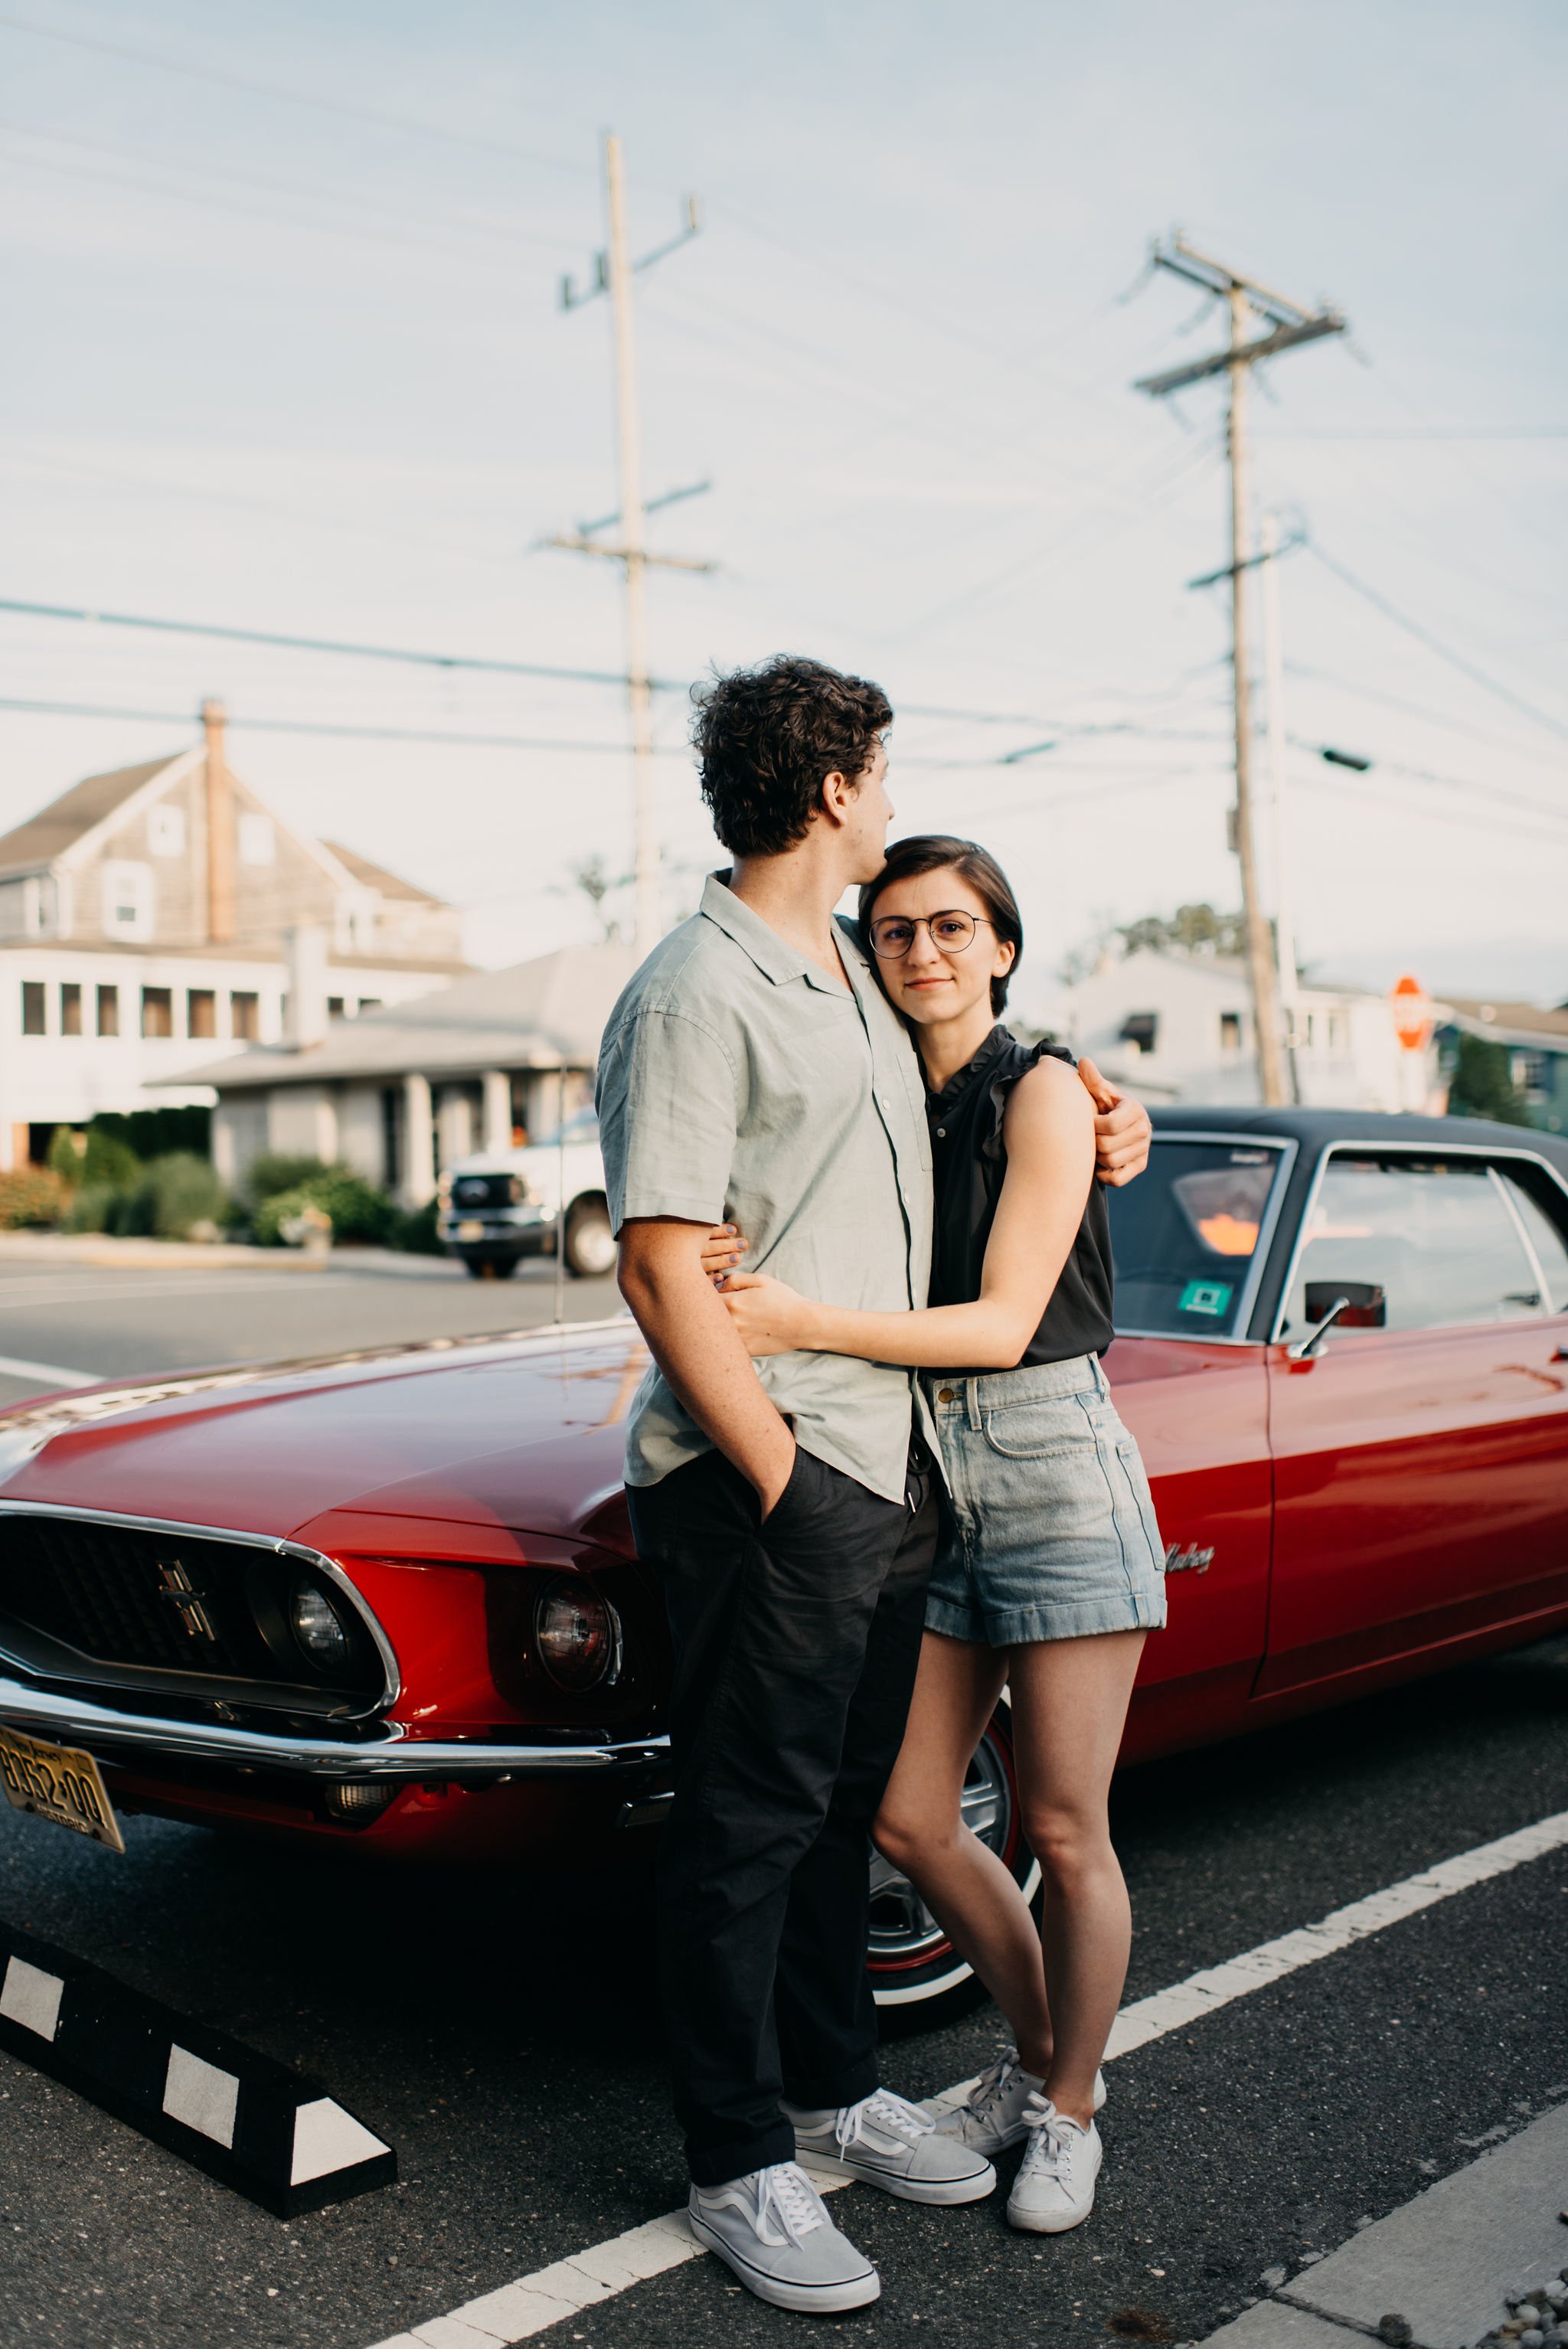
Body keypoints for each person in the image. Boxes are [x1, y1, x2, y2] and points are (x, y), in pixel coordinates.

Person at [596, 658, 1151, 2315]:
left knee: (845, 1816)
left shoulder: (841, 967)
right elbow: (656, 1266)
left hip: (894, 1465)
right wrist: (782, 1481)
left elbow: (990, 1058)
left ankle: (838, 2090)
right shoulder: (697, 987)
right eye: (883, 778)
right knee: (748, 1821)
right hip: (779, 1475)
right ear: (835, 791)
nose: (892, 805)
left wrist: (1104, 1107)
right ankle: (736, 2158)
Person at [710, 831, 1166, 2243]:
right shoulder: (877, 1087)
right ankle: (1041, 2065)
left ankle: (1073, 2111)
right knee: (911, 1816)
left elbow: (1005, 1323)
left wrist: (796, 1317)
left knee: (1063, 1827)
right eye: (896, 930)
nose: (923, 953)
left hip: (1048, 1462)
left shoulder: (1044, 1095)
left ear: (1005, 947)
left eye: (954, 928)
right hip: (921, 1470)